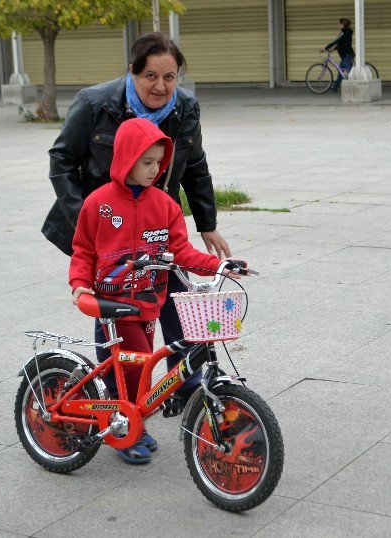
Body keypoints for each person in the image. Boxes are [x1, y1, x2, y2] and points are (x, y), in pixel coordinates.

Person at [43, 31, 231, 419]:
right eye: (150, 76)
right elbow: (61, 160)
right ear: (132, 72)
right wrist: (91, 225)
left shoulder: (185, 107)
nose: (161, 86)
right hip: (104, 227)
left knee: (179, 302)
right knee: (119, 319)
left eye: (170, 77)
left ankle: (185, 384)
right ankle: (119, 401)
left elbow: (195, 165)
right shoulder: (95, 103)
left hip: (158, 223)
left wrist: (207, 222)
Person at [69, 118, 226, 464]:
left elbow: (180, 251)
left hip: (148, 304)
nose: (156, 169)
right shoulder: (99, 203)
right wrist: (80, 285)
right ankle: (123, 429)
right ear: (126, 157)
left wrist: (217, 266)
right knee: (132, 368)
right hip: (112, 304)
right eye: (147, 161)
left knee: (137, 368)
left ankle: (130, 421)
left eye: (159, 162)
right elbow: (83, 250)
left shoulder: (166, 205)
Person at [323, 18, 355, 92]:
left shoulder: (345, 33)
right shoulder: (343, 32)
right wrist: (332, 49)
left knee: (350, 72)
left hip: (347, 55)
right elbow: (341, 44)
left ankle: (355, 86)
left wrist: (326, 48)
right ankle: (335, 87)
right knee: (340, 71)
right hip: (344, 55)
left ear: (343, 25)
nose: (338, 25)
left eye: (339, 24)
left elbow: (336, 41)